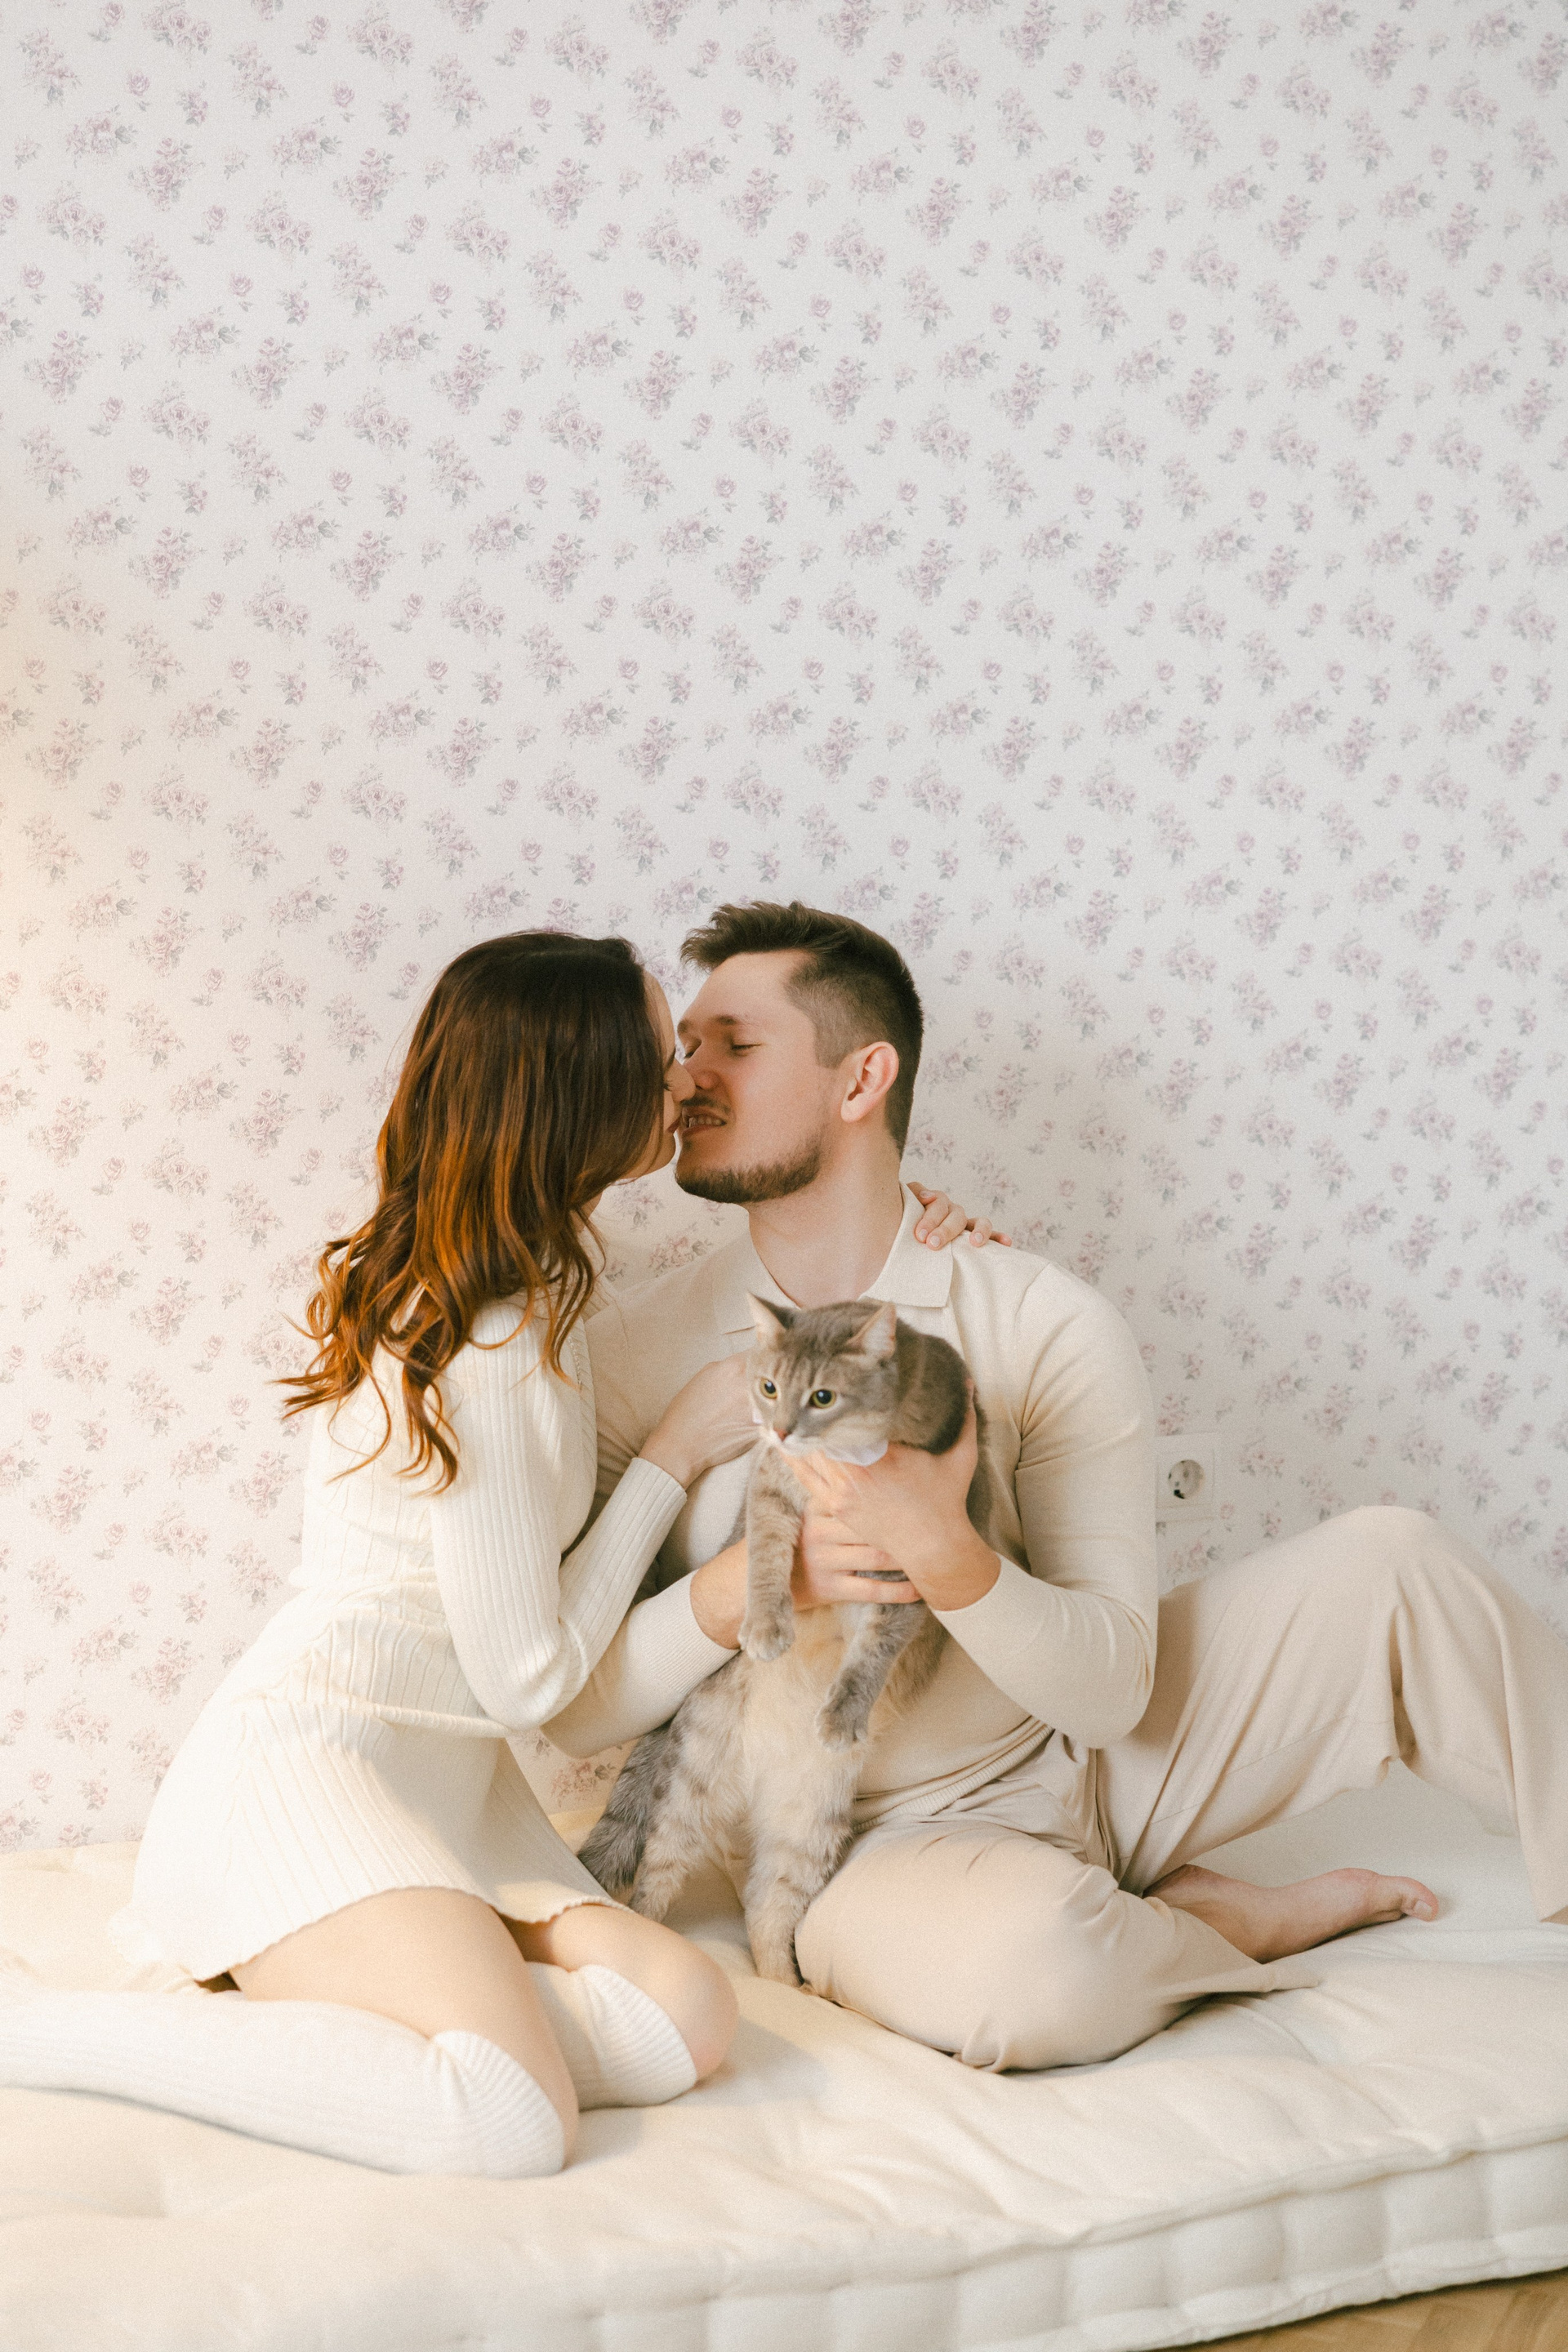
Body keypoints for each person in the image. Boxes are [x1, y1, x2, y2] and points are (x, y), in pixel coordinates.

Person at [0, 931, 982, 2175]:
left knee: (689, 2016)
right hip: (314, 1771)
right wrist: (674, 1458)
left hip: (440, 1787)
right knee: (511, 2121)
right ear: (579, 1097)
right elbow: (528, 1680)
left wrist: (928, 1239)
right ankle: (48, 2032)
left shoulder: (549, 1287)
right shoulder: (492, 1336)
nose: (686, 1080)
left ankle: (342, 1994)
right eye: (661, 1055)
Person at [559, 900, 1568, 2073]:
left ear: (862, 1080)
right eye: (685, 1046)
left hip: (1097, 1755)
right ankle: (1211, 1927)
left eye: (734, 1045)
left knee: (1400, 1565)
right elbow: (568, 1701)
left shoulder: (1038, 1317)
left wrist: (949, 1554)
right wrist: (745, 1586)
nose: (686, 1077)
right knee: (1040, 1976)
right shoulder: (636, 1350)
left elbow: (1112, 1692)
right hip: (872, 1835)